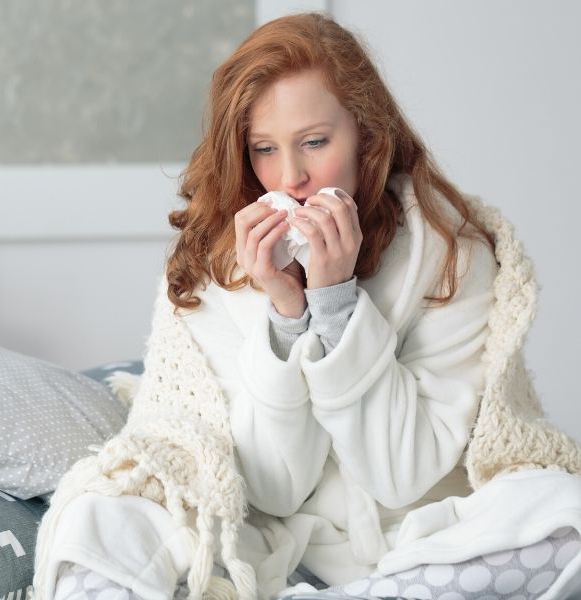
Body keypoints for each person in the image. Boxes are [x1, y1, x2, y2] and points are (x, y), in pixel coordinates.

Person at [33, 12, 581, 600]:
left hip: (427, 533)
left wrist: (337, 302)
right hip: (274, 540)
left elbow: (402, 476)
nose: (290, 177)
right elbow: (273, 489)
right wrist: (288, 314)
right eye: (264, 149)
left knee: (564, 516)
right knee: (100, 516)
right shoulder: (217, 265)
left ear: (368, 135)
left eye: (315, 143)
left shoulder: (453, 251)